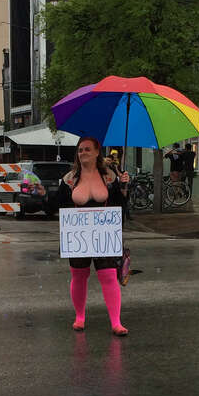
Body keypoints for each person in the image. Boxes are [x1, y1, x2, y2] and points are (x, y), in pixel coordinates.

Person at [41, 137, 130, 336]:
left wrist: (124, 188)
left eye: (87, 149)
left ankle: (116, 322)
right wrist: (43, 195)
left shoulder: (109, 177)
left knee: (108, 276)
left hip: (103, 235)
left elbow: (120, 208)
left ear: (97, 152)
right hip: (78, 235)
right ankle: (79, 317)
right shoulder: (70, 179)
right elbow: (54, 206)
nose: (83, 153)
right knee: (79, 276)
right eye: (80, 150)